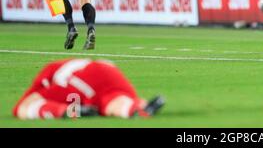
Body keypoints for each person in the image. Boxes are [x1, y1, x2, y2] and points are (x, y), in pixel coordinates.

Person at [13, 58, 165, 119]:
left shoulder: (50, 72)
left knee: (26, 108)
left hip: (79, 78)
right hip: (109, 69)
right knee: (112, 101)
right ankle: (137, 107)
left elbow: (22, 105)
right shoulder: (68, 63)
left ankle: (70, 111)